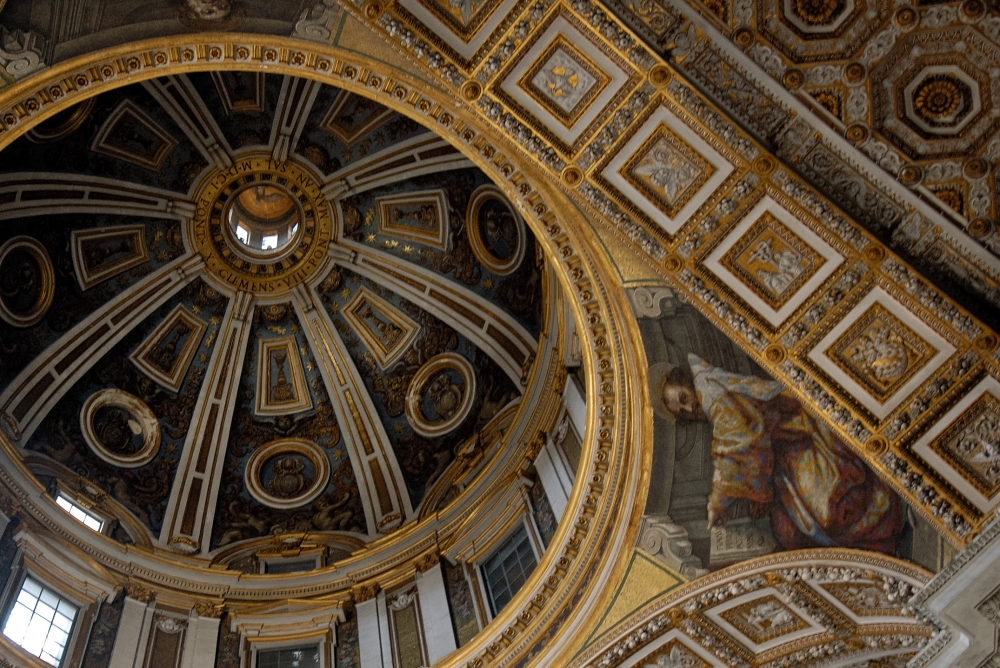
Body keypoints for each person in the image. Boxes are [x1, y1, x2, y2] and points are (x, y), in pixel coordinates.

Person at [660, 353, 903, 554]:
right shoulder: (708, 391)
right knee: (787, 526)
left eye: (683, 398)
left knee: (824, 504)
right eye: (682, 411)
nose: (688, 408)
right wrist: (759, 495)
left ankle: (883, 527)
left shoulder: (710, 393)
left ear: (687, 382)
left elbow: (738, 442)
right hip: (784, 448)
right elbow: (752, 441)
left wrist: (718, 502)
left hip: (801, 427)